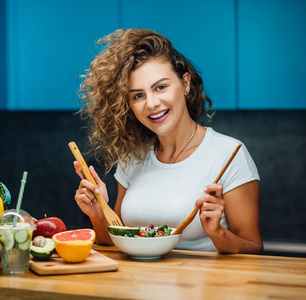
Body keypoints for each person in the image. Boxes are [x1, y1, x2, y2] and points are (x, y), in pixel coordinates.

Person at [73, 28, 262, 254]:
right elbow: (116, 240)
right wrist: (97, 213)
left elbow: (253, 249)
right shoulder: (133, 156)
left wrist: (217, 234)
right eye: (138, 95)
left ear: (185, 84)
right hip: (137, 286)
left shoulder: (230, 154)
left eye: (160, 87)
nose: (151, 103)